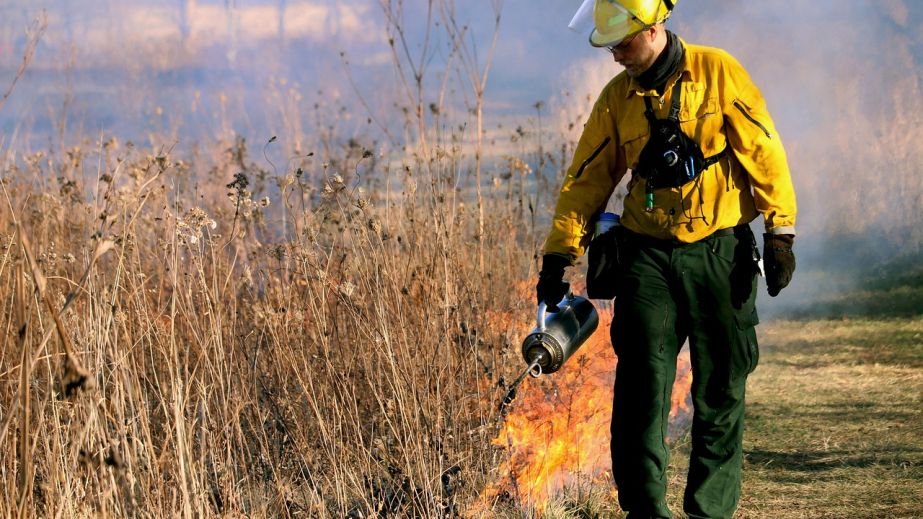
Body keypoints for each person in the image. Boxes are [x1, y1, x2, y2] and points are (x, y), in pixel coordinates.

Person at [535, 0, 797, 517]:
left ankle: (708, 511)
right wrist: (557, 255)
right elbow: (586, 179)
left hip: (719, 253)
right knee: (640, 392)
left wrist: (780, 230)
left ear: (654, 28)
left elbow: (764, 150)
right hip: (646, 257)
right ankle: (645, 511)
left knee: (720, 388)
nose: (615, 56)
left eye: (623, 43)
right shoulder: (616, 99)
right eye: (609, 46)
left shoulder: (718, 71)